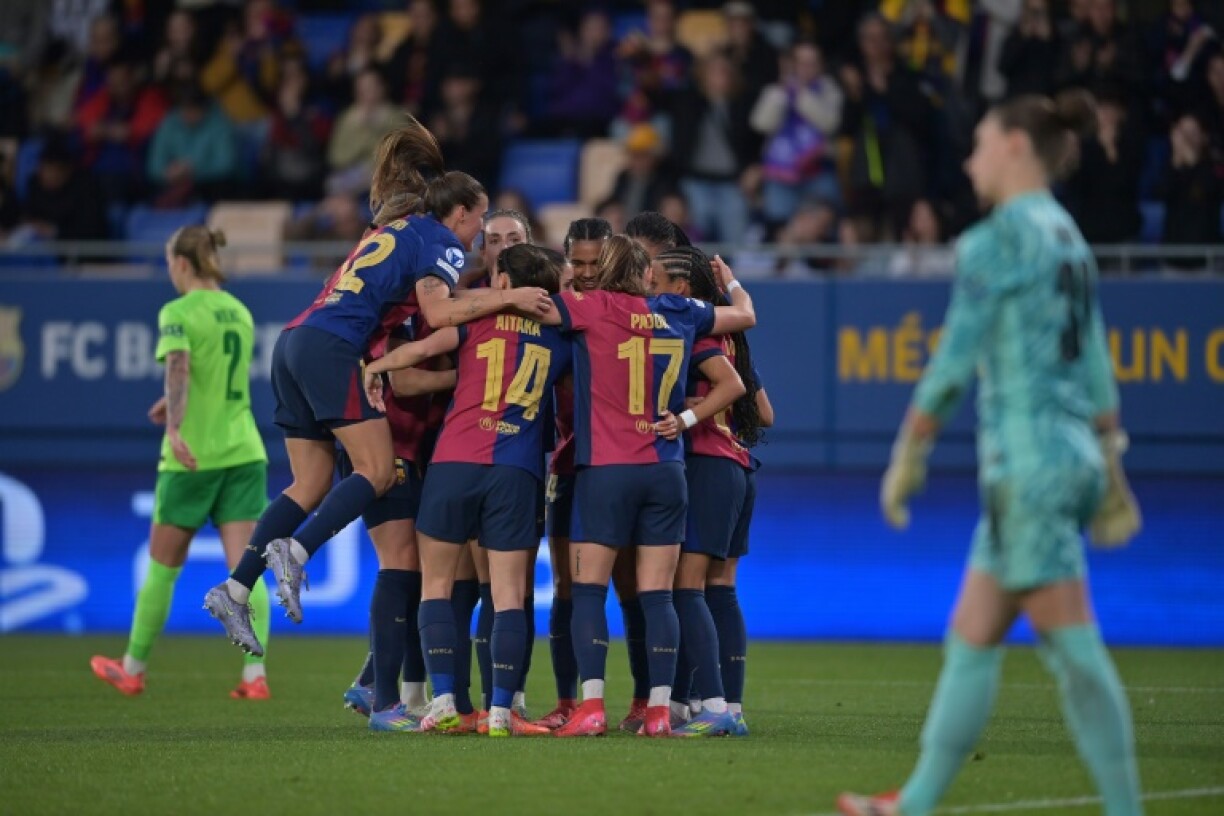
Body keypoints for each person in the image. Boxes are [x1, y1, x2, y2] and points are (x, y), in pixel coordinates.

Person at [837, 89, 1143, 816]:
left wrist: (909, 450)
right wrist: (1111, 461)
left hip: (1027, 463)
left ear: (1013, 145)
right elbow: (1097, 361)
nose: (969, 159)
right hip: (1068, 454)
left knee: (1072, 647)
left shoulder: (998, 238)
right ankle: (910, 804)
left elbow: (954, 361)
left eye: (978, 142)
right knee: (972, 638)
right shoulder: (1070, 236)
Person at [203, 116, 553, 657]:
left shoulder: (385, 231)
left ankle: (234, 587)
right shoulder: (441, 240)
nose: (479, 234)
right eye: (479, 221)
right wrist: (509, 299)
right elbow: (438, 312)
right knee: (377, 470)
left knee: (310, 482)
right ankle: (296, 551)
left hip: (295, 340)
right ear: (459, 213)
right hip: (332, 347)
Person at [539, 235, 758, 738]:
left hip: (606, 470)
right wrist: (684, 418)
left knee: (589, 590)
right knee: (659, 596)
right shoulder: (681, 310)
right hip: (666, 469)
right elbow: (743, 318)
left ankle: (591, 707)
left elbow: (534, 310)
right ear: (643, 274)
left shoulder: (588, 307)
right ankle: (661, 712)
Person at [363, 244, 571, 737]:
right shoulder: (561, 337)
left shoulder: (474, 323)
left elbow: (417, 353)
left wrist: (374, 370)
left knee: (435, 586)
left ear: (503, 282)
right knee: (508, 594)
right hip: (516, 472)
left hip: (454, 462)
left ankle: (443, 705)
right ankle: (501, 712)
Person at [92, 227, 271, 701]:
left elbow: (180, 367)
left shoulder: (178, 311)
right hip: (245, 451)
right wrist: (169, 404)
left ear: (183, 264)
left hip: (193, 456)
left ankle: (132, 668)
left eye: (170, 261)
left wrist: (174, 426)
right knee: (245, 569)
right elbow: (215, 376)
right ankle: (255, 677)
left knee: (162, 566)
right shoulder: (239, 310)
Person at [650, 245, 771, 737]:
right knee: (719, 589)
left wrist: (687, 415)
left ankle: (712, 705)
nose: (648, 289)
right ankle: (712, 703)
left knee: (686, 587)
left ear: (682, 291)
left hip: (706, 464)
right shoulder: (733, 342)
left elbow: (734, 391)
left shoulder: (691, 336)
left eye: (654, 280)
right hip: (739, 466)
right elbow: (766, 416)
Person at [533, 217, 614, 730]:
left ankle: (651, 702)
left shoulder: (631, 314)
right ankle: (568, 701)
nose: (585, 273)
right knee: (566, 584)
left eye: (594, 264)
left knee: (634, 588)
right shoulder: (554, 316)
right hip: (568, 463)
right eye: (577, 263)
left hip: (621, 465)